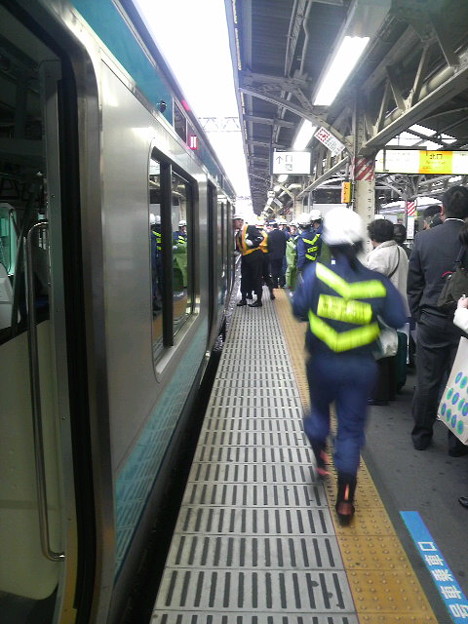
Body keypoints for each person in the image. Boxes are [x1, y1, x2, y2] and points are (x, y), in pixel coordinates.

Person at [292, 207, 406, 525]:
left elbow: (299, 310)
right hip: (360, 368)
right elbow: (397, 319)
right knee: (351, 430)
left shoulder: (316, 274)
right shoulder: (377, 282)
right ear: (361, 243)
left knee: (317, 415)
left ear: (329, 243)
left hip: (323, 364)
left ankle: (320, 460)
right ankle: (345, 501)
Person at [407, 185, 468, 455]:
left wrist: (419, 314)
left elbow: (414, 285)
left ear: (442, 210)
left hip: (431, 318)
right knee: (461, 382)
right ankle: (457, 442)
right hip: (464, 324)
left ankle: (421, 435)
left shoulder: (424, 239)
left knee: (427, 381)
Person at [366, 218, 409, 403]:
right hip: (399, 307)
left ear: (373, 236)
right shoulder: (400, 251)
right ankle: (391, 389)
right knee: (391, 350)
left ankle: (379, 394)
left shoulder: (378, 256)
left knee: (379, 352)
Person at [233, 214, 265, 307]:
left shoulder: (250, 228)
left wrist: (253, 242)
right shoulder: (238, 233)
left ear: (239, 221)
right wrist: (236, 252)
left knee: (257, 277)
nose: (233, 224)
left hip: (255, 256)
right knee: (244, 278)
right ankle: (243, 299)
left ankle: (259, 300)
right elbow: (239, 246)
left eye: (234, 222)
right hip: (245, 257)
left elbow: (260, 237)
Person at [267, 220, 287, 290]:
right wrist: (283, 253)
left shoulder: (269, 234)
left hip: (272, 255)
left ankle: (275, 284)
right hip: (281, 255)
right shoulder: (282, 233)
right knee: (280, 269)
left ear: (272, 226)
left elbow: (268, 245)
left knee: (273, 269)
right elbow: (285, 244)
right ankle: (282, 283)